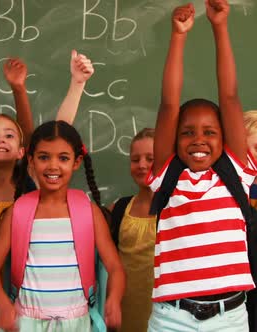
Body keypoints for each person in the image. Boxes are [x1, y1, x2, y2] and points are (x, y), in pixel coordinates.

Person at [147, 2, 255, 330]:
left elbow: (231, 96)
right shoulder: (168, 175)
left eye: (210, 132)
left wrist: (220, 27)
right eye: (188, 133)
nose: (198, 140)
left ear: (225, 139)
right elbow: (168, 104)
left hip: (230, 318)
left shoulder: (236, 172)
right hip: (171, 318)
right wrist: (178, 37)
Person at [0, 120, 125, 331]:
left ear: (76, 162)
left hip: (76, 323)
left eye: (63, 158)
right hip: (26, 323)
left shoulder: (89, 212)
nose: (53, 166)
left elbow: (115, 267)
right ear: (31, 160)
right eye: (43, 157)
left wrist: (113, 300)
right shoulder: (18, 212)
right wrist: (4, 305)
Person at [108, 128, 155, 332]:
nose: (142, 165)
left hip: (165, 314)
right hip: (124, 311)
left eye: (150, 158)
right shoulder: (118, 208)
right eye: (135, 159)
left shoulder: (175, 209)